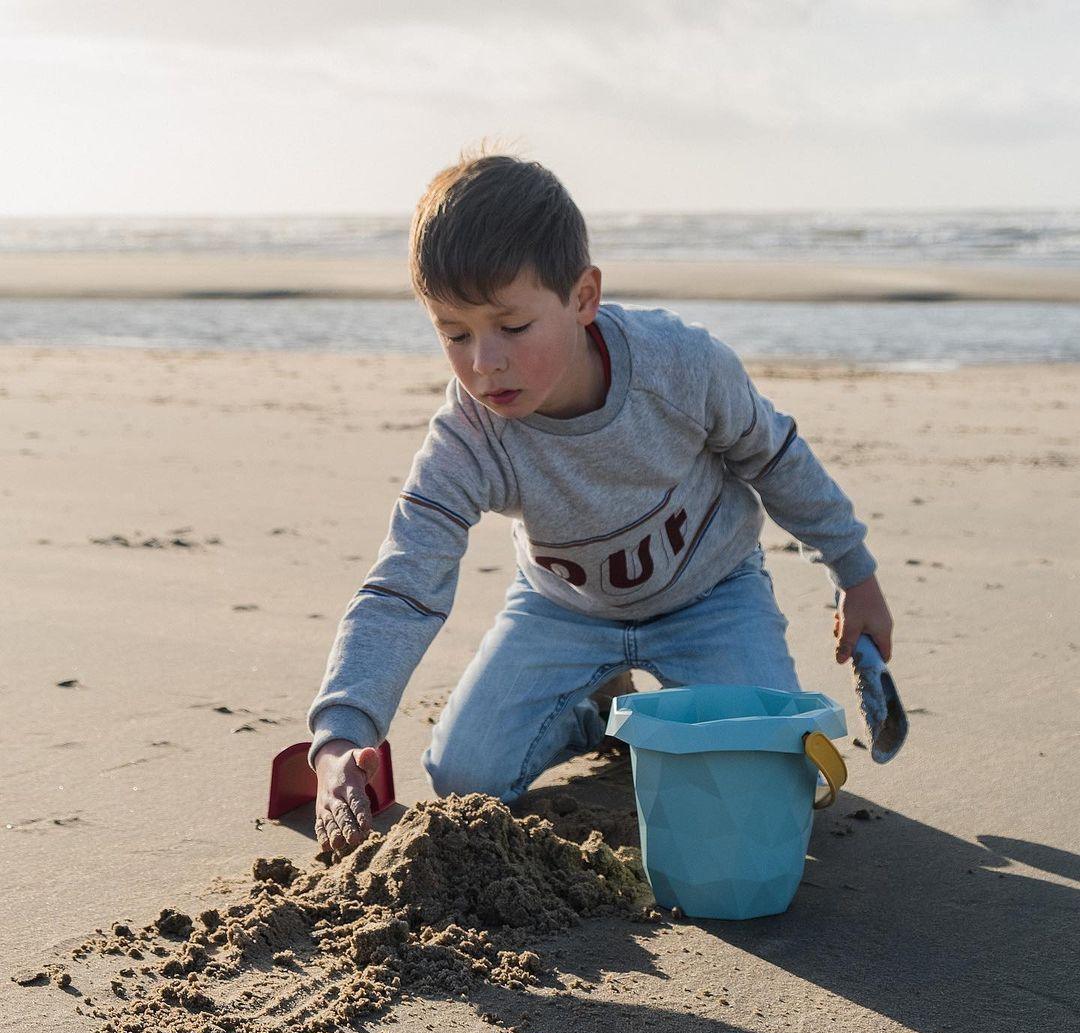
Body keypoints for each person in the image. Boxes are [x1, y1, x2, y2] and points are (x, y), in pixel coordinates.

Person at [308, 152, 894, 855]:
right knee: (462, 777)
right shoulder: (469, 437)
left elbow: (776, 457)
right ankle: (601, 710)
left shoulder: (679, 366)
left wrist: (854, 573)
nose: (483, 363)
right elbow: (404, 584)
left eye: (512, 327)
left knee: (766, 772)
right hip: (564, 610)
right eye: (454, 334)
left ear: (583, 298)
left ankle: (658, 701)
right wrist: (341, 737)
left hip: (713, 596)